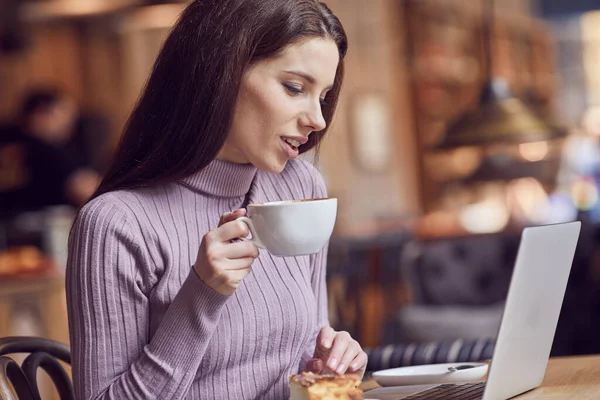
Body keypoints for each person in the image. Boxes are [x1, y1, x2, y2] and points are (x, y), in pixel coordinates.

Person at [66, 1, 366, 399]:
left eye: (323, 95)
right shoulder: (117, 224)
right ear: (219, 73)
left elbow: (301, 350)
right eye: (295, 88)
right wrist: (201, 295)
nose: (318, 119)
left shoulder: (300, 189)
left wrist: (328, 363)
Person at [0, 88, 99, 213]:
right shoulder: (39, 148)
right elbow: (84, 189)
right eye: (63, 112)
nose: (70, 121)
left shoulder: (61, 147)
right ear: (40, 113)